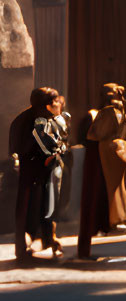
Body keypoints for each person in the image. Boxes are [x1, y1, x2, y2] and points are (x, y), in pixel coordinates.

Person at [11, 86, 67, 264]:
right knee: (29, 209)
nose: (56, 104)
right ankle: (23, 247)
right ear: (45, 104)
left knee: (46, 208)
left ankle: (49, 240)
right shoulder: (25, 121)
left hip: (44, 173)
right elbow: (20, 149)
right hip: (31, 175)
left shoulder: (47, 119)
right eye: (53, 101)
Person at [83, 82, 126, 255]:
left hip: (116, 156)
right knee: (105, 190)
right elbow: (92, 136)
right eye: (114, 93)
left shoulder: (120, 112)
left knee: (117, 189)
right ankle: (107, 221)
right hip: (103, 156)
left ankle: (115, 220)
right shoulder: (100, 113)